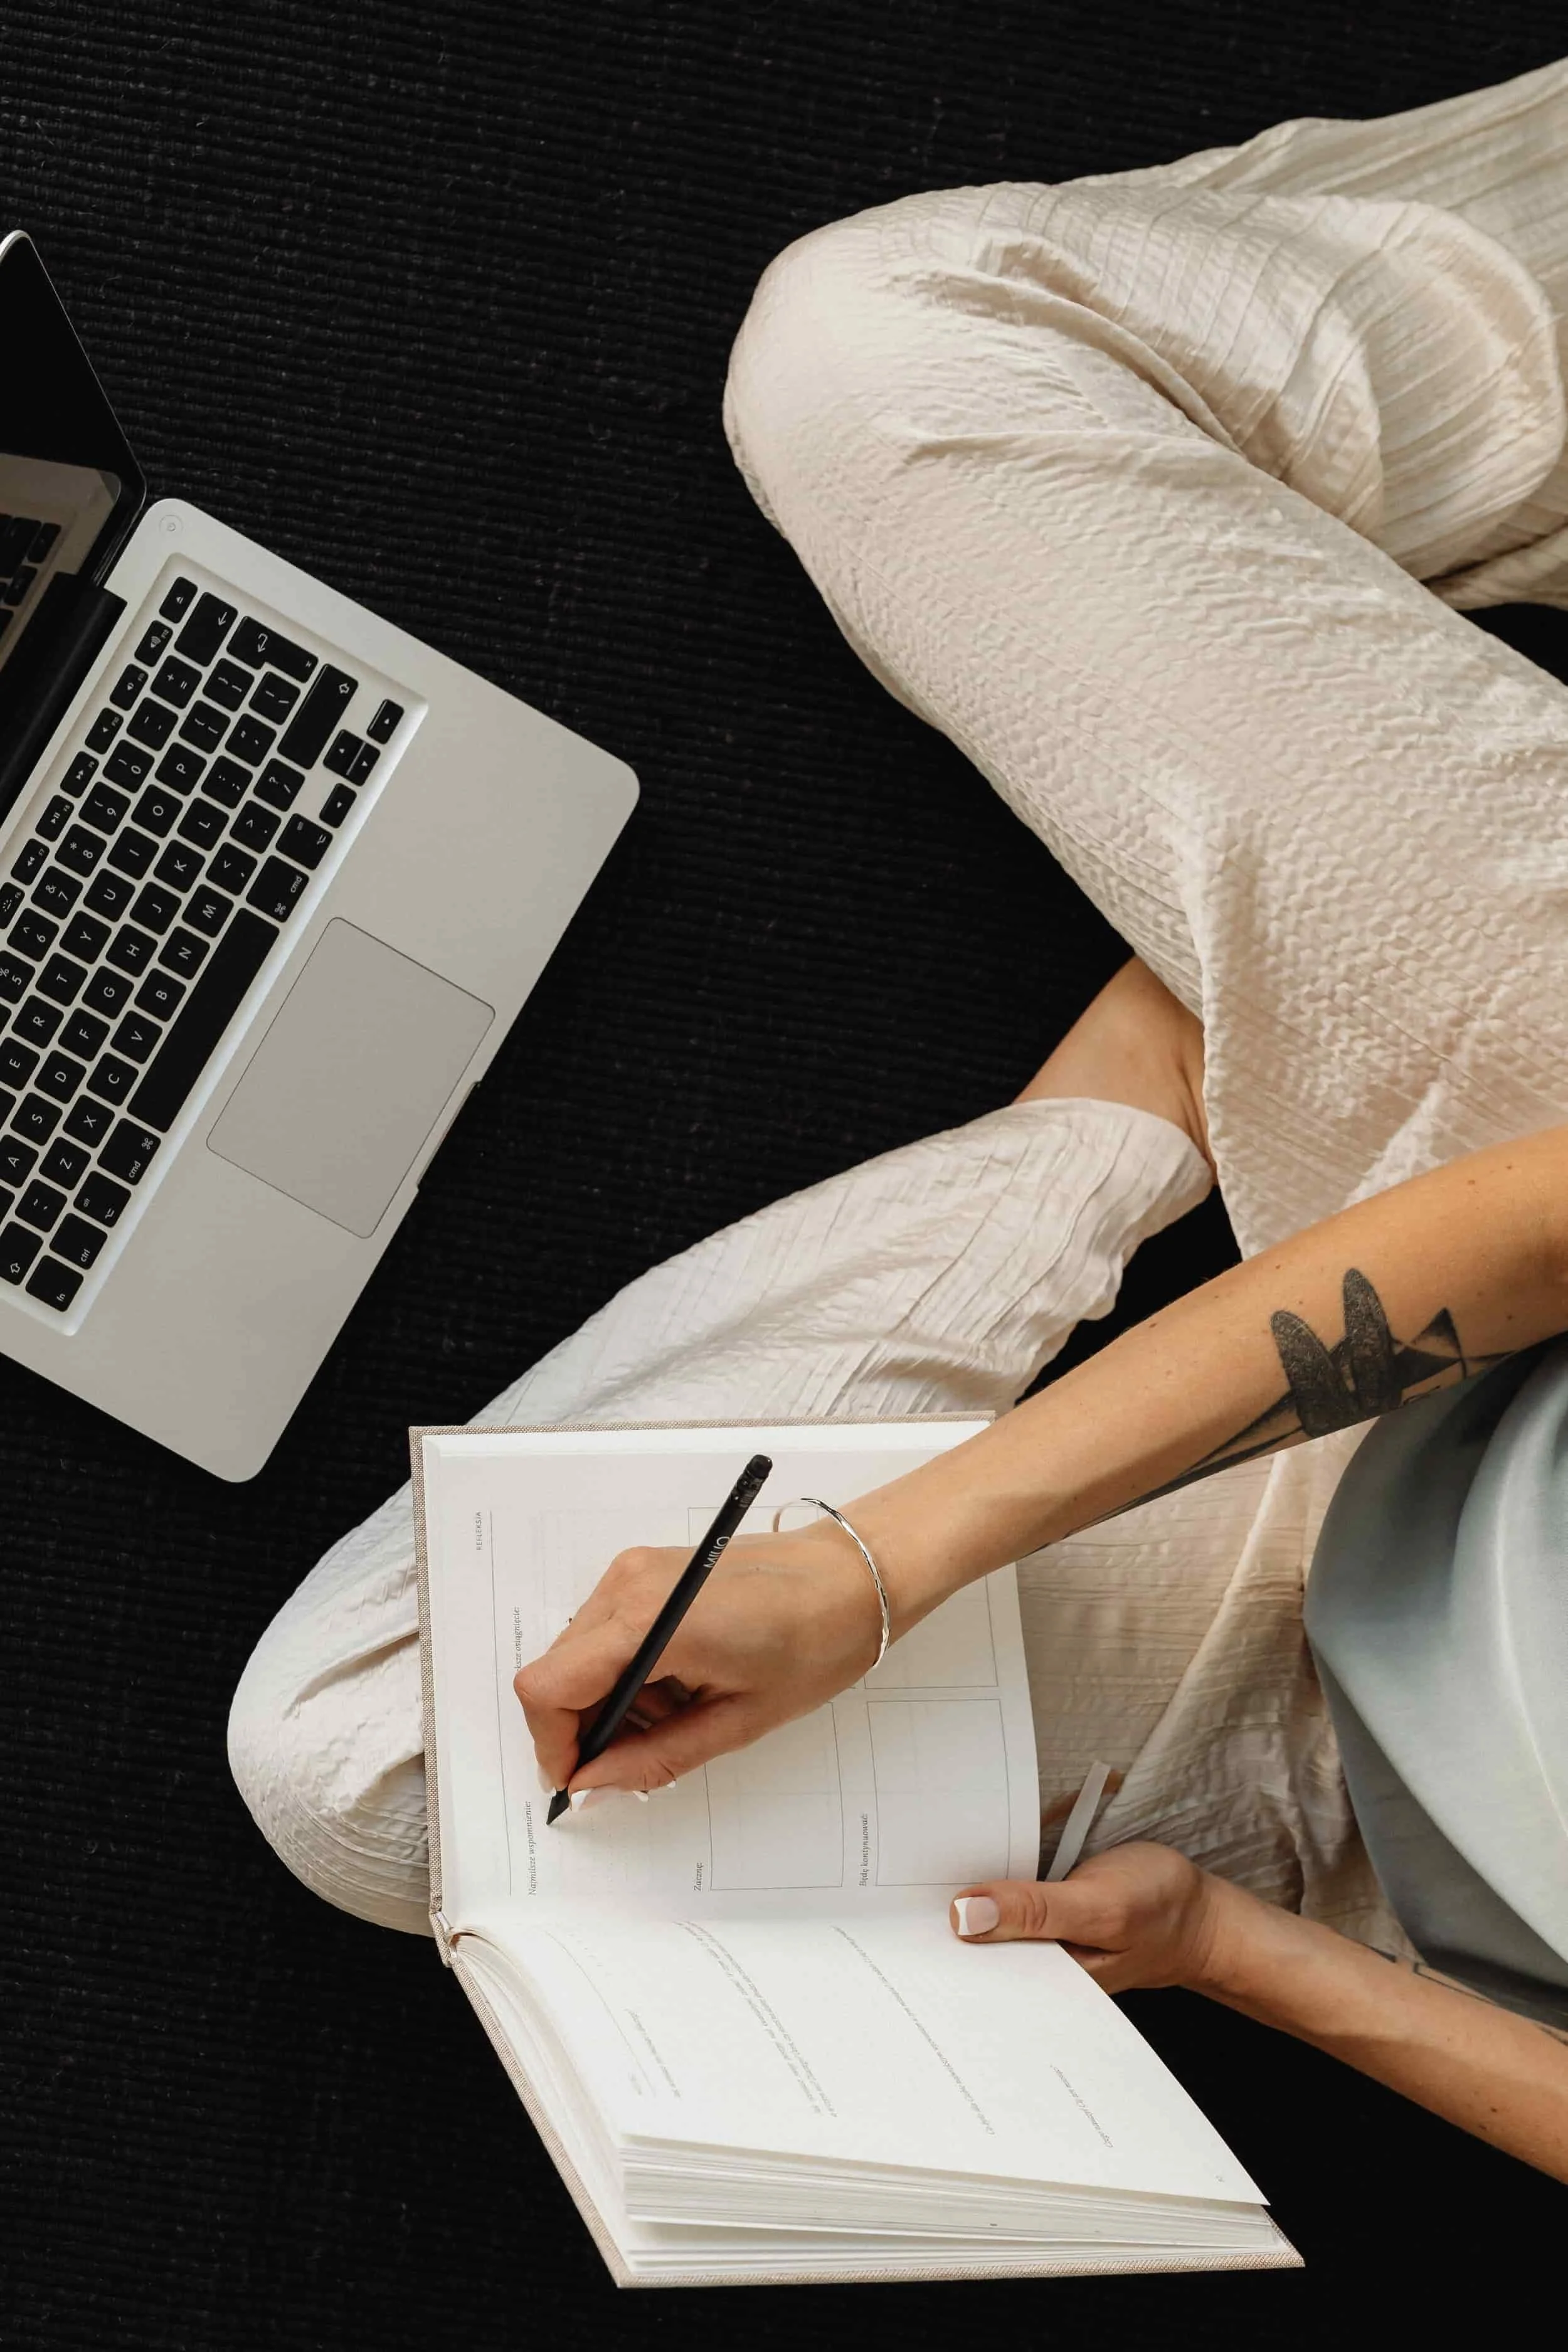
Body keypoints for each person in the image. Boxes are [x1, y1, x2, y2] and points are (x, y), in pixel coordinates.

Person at [229, 61, 1568, 2178]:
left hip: (1401, 1782)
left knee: (374, 1762)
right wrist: (881, 1561)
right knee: (875, 357)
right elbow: (1542, 1217)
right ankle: (1201, 1025)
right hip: (1544, 1138)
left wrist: (1242, 1949)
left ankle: (1176, 1060)